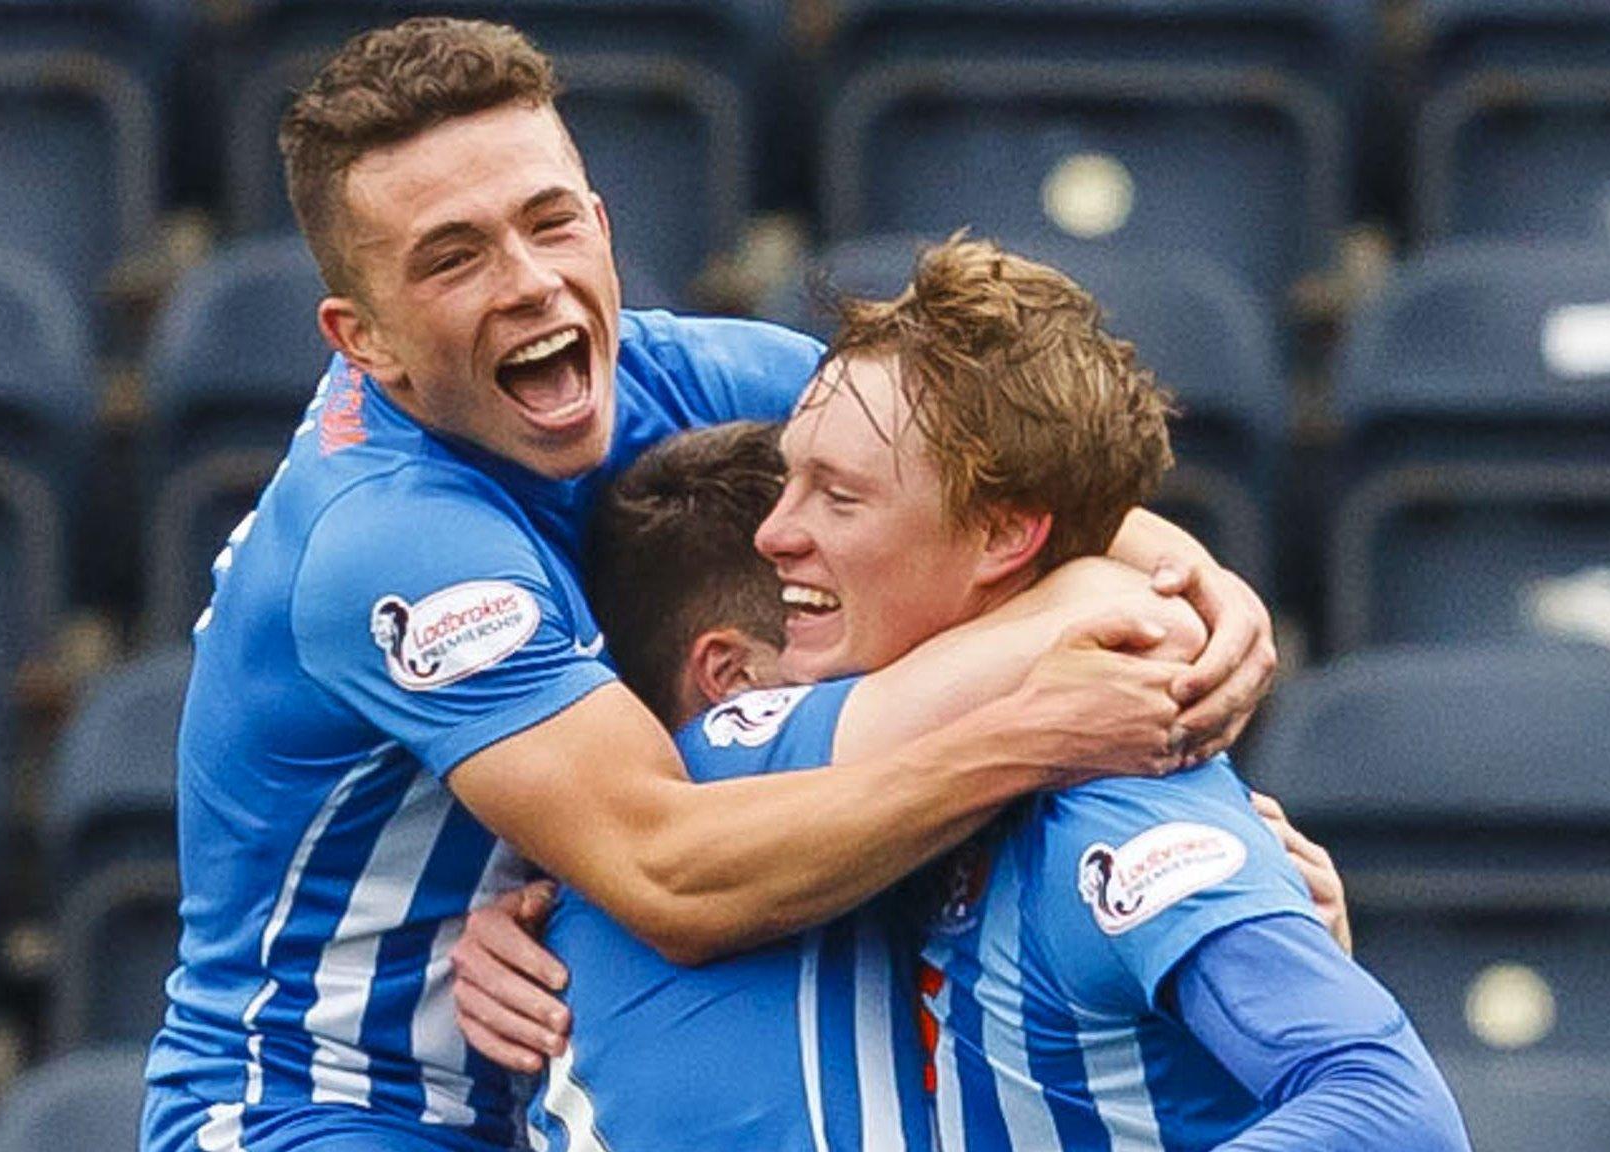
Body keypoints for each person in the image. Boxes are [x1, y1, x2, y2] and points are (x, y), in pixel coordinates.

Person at [142, 18, 1278, 1152]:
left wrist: (1203, 584)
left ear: (598, 225)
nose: (530, 285)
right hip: (323, 1110)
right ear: (365, 339)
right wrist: (1031, 734)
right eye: (454, 257)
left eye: (548, 225)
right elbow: (672, 877)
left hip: (548, 1066)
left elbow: (1004, 495)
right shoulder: (390, 539)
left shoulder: (683, 376)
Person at [496, 238, 1459, 1151]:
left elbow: (1389, 1108)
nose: (773, 534)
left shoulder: (1121, 804)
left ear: (1004, 537)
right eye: (789, 483)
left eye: (839, 497)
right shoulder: (900, 785)